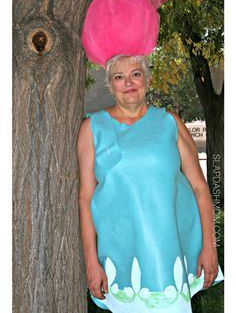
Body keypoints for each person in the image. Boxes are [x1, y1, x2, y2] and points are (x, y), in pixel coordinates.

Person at [77, 54, 223, 313]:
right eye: (119, 77)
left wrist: (210, 248)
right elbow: (85, 199)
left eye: (136, 74)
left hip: (169, 251)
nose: (129, 83)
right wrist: (90, 261)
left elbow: (201, 189)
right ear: (110, 85)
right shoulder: (92, 129)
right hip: (120, 255)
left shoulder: (170, 124)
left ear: (146, 79)